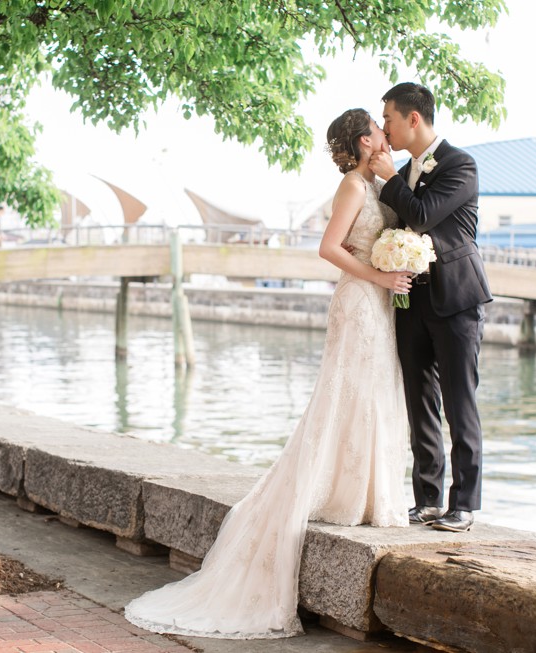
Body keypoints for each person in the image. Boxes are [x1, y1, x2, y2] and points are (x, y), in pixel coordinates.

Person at [124, 109, 413, 640]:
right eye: (376, 129)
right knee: (349, 394)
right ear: (361, 140)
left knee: (375, 393)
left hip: (380, 301)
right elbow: (329, 247)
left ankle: (371, 495)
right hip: (359, 301)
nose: (384, 135)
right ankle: (345, 495)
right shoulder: (352, 186)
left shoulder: (379, 186)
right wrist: (378, 274)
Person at [368, 83, 493, 533]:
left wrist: (390, 180)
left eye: (389, 119)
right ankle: (427, 499)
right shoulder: (404, 170)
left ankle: (464, 504)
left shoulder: (461, 164)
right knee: (419, 401)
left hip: (457, 300)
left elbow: (421, 216)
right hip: (410, 297)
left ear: (413, 119)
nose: (385, 128)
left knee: (460, 402)